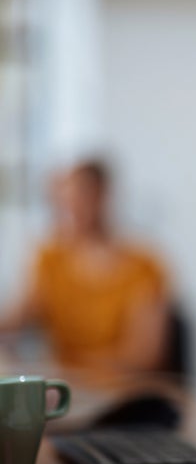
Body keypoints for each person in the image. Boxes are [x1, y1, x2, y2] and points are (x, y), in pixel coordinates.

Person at [0, 158, 171, 376]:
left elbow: (143, 356)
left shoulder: (144, 266)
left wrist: (72, 369)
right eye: (65, 200)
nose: (72, 207)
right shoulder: (50, 258)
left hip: (120, 391)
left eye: (82, 196)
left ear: (103, 195)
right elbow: (18, 317)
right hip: (67, 388)